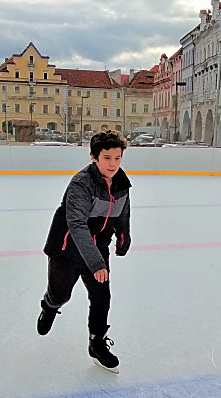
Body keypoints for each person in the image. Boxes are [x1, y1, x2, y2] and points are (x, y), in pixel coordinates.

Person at [38, 130, 131, 374]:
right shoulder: (82, 183)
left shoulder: (121, 183)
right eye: (107, 158)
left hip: (97, 248)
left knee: (102, 298)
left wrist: (123, 237)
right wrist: (96, 263)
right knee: (60, 295)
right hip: (67, 249)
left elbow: (122, 213)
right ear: (94, 157)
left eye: (117, 158)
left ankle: (97, 345)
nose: (113, 164)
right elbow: (76, 225)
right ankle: (48, 306)